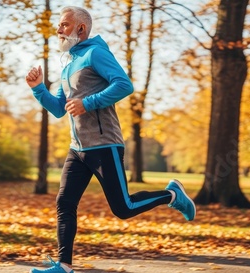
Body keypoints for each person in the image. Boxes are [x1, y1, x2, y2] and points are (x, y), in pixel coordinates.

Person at [25, 6, 196, 273]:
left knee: (124, 208)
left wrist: (88, 103)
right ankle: (64, 266)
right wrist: (38, 89)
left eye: (64, 25)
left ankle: (172, 194)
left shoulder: (96, 53)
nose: (58, 30)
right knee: (65, 203)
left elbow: (124, 84)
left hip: (105, 146)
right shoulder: (68, 62)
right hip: (77, 148)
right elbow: (60, 108)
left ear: (80, 29)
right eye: (58, 25)